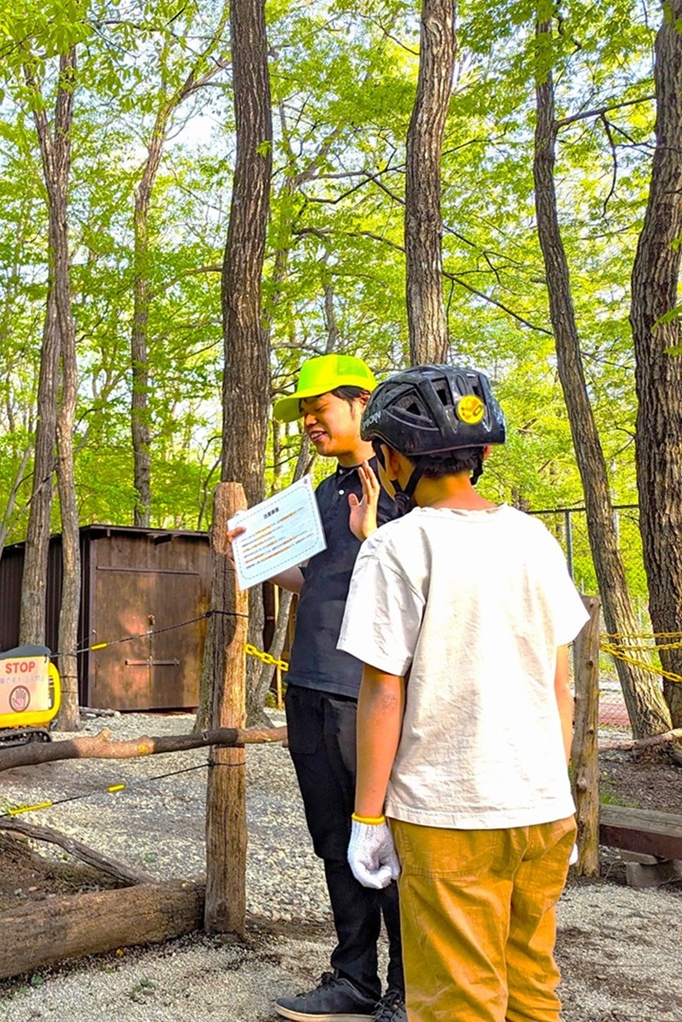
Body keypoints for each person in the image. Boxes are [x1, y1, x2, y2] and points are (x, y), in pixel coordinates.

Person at [337, 364, 585, 1022]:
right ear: (475, 456)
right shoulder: (533, 539)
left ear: (392, 457)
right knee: (531, 985)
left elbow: (382, 692)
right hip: (540, 813)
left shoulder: (394, 547)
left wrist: (365, 820)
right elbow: (558, 684)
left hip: (450, 816)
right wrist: (555, 791)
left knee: (457, 1001)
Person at [260, 353, 407, 1022]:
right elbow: (314, 576)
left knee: (386, 844)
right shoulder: (323, 492)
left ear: (360, 403)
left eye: (319, 407)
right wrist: (253, 556)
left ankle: (411, 988)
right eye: (303, 413)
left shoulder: (405, 481)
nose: (310, 422)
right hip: (309, 684)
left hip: (368, 693)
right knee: (332, 840)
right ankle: (353, 978)